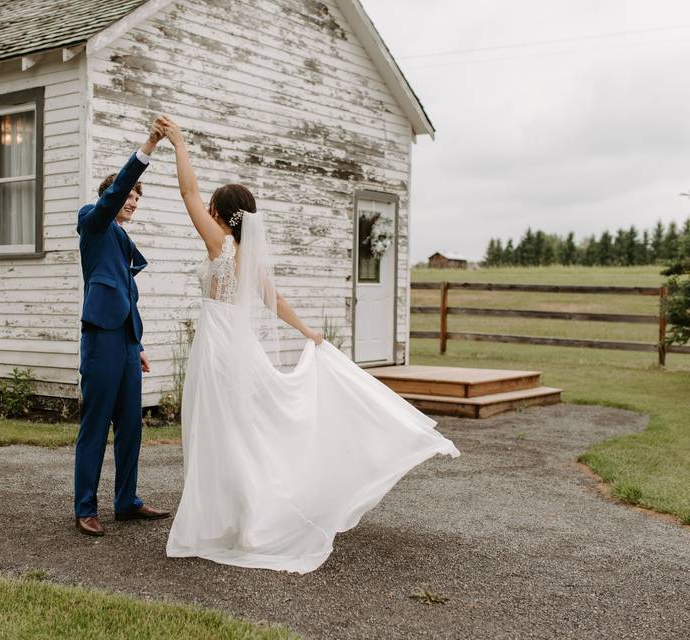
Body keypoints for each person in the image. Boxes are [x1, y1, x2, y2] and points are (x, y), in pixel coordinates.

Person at [157, 115, 460, 573]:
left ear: (222, 214)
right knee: (239, 433)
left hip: (218, 350)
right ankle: (244, 519)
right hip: (237, 349)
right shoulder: (246, 255)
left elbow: (187, 194)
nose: (209, 210)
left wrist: (179, 143)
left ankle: (244, 523)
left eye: (214, 207)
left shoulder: (219, 244)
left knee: (221, 433)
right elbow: (273, 299)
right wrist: (308, 332)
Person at [73, 118, 171, 537]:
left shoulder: (123, 242)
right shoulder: (92, 223)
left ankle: (127, 501)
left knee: (131, 425)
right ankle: (85, 508)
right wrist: (149, 145)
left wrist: (140, 343)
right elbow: (112, 196)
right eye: (127, 195)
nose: (132, 200)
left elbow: (126, 296)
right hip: (100, 340)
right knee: (95, 426)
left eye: (136, 197)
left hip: (127, 343)